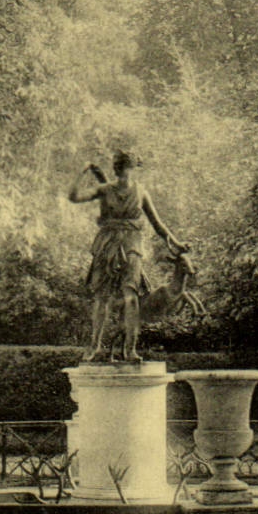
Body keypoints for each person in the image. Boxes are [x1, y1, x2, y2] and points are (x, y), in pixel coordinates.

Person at [67, 150, 188, 362]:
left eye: (129, 169)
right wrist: (83, 171)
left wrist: (176, 243)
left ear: (133, 170)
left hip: (132, 244)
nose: (125, 174)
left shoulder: (141, 192)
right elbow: (74, 196)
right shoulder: (105, 189)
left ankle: (130, 350)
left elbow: (158, 224)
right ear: (117, 170)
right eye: (122, 169)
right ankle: (94, 346)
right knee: (102, 297)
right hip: (107, 244)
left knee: (131, 296)